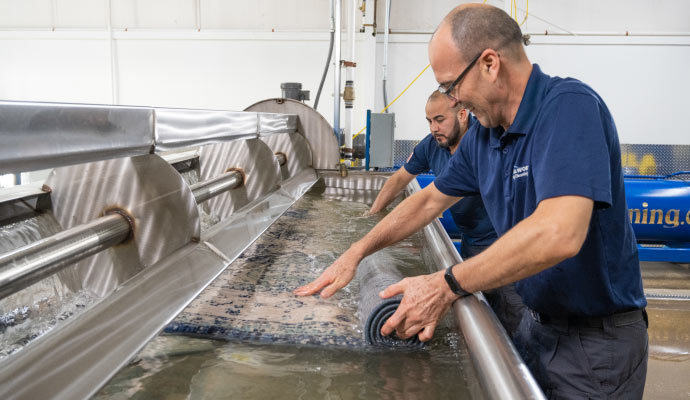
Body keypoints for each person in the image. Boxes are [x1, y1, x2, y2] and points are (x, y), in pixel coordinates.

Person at [296, 4, 648, 399]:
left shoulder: (568, 108)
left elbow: (559, 233)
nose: (454, 99)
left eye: (451, 86)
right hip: (536, 325)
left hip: (592, 344)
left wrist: (447, 284)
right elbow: (428, 201)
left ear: (489, 64)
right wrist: (357, 252)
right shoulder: (485, 135)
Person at [367, 90, 524, 337]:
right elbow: (398, 179)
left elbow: (432, 202)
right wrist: (372, 214)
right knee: (482, 317)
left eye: (439, 119)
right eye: (429, 121)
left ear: (463, 115)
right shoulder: (433, 145)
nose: (433, 128)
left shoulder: (486, 143)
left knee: (514, 319)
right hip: (471, 243)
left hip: (503, 246)